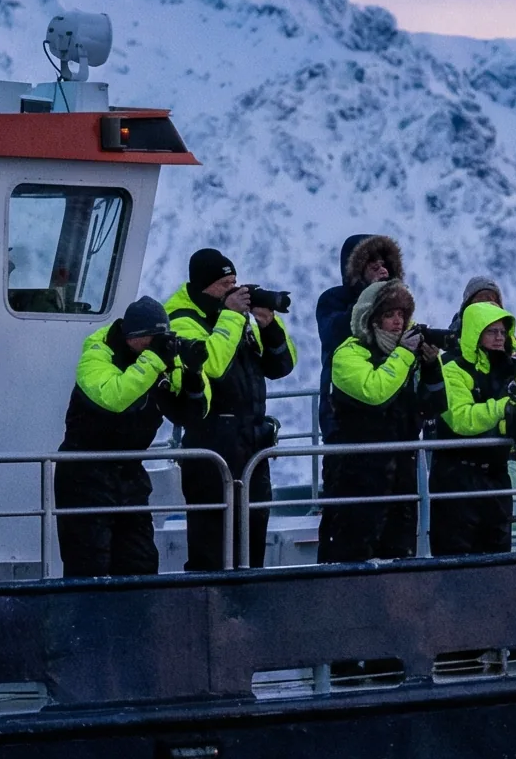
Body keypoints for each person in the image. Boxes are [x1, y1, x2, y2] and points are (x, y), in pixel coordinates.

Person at [166, 248, 297, 570]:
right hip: (211, 442)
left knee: (252, 536)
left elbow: (281, 366)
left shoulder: (235, 319)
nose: (234, 290)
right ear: (204, 285)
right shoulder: (182, 320)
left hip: (252, 441)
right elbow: (212, 368)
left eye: (235, 281)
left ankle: (248, 608)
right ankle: (209, 605)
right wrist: (232, 316)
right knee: (212, 540)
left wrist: (269, 326)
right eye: (225, 283)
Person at [55, 298, 204, 578]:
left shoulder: (157, 360)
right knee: (88, 567)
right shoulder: (97, 355)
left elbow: (192, 415)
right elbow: (115, 397)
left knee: (141, 564)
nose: (155, 346)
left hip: (130, 474)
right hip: (84, 474)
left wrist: (193, 373)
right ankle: (86, 622)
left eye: (161, 339)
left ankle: (138, 620)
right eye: (150, 340)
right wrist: (154, 359)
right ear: (132, 337)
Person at [320, 279, 445, 562]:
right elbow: (375, 392)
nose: (398, 322)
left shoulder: (404, 359)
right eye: (389, 315)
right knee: (349, 559)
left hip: (401, 474)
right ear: (369, 320)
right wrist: (404, 354)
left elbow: (433, 408)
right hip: (356, 476)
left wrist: (431, 367)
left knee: (399, 561)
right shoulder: (348, 354)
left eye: (402, 314)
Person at [432, 299, 516, 557]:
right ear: (476, 332)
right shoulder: (452, 368)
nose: (500, 338)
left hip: (496, 475)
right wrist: (503, 409)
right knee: (455, 561)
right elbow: (460, 418)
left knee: (498, 561)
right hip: (457, 478)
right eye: (492, 331)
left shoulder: (510, 369)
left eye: (503, 332)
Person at [315, 235, 401, 442]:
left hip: (394, 418)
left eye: (384, 265)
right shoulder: (333, 300)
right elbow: (333, 334)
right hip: (343, 416)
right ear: (356, 270)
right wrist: (370, 296)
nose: (383, 271)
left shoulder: (396, 304)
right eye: (374, 267)